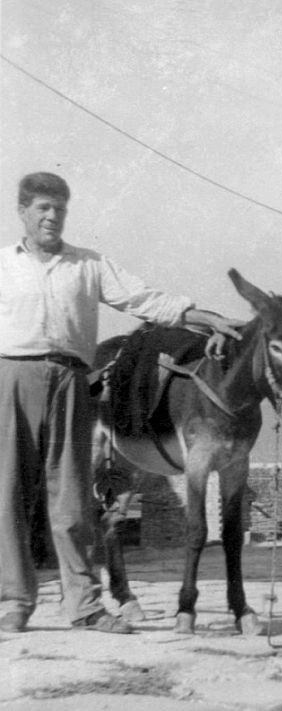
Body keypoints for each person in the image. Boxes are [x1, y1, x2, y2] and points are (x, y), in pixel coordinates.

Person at [0, 172, 242, 634]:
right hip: (12, 374)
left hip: (72, 377)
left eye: (60, 209)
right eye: (43, 208)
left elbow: (143, 298)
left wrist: (202, 315)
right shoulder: (2, 264)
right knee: (9, 492)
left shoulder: (88, 265)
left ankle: (85, 605)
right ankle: (15, 601)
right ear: (23, 212)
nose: (52, 217)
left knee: (72, 495)